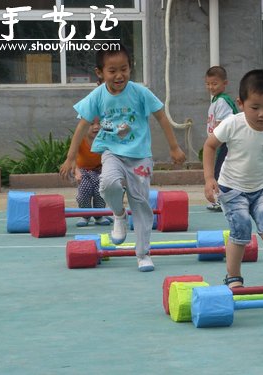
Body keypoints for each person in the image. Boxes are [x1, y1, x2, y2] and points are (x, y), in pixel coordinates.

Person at [60, 43, 186, 272]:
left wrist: (174, 147)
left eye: (124, 69)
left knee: (140, 202)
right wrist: (70, 158)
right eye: (112, 71)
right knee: (107, 183)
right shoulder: (97, 96)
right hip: (112, 153)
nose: (119, 75)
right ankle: (118, 213)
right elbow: (82, 125)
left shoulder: (140, 92)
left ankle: (143, 253)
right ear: (100, 73)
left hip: (140, 158)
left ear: (130, 68)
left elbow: (161, 117)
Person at [203, 69, 263, 288]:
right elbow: (209, 145)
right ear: (241, 103)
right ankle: (233, 276)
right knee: (241, 226)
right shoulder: (232, 123)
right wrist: (209, 178)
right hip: (232, 189)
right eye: (255, 107)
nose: (262, 114)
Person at [205, 66, 239, 211]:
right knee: (220, 170)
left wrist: (215, 141)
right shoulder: (216, 101)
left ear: (225, 83)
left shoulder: (222, 102)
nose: (211, 87)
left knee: (220, 171)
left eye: (215, 83)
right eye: (208, 84)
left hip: (225, 143)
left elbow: (222, 124)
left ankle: (221, 199)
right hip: (219, 143)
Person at [74, 117, 111, 227]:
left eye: (99, 123)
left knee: (100, 191)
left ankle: (99, 215)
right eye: (91, 124)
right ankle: (85, 215)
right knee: (84, 191)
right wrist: (76, 172)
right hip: (83, 170)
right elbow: (73, 159)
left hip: (99, 170)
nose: (96, 126)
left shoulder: (105, 140)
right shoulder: (80, 140)